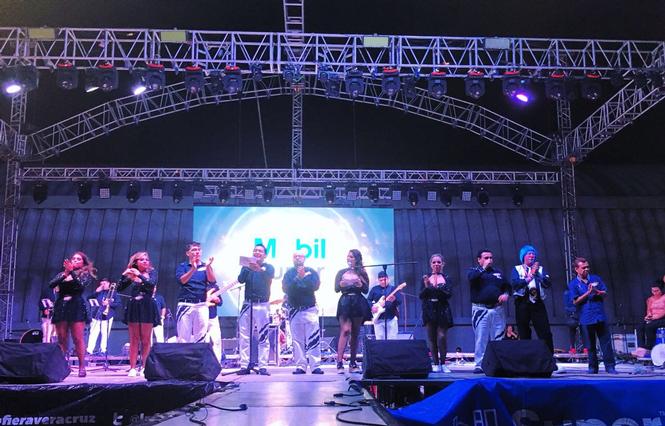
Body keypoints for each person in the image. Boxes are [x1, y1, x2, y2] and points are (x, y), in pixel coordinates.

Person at [49, 251, 96, 378]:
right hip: (62, 305)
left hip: (76, 306)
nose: (75, 260)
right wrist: (65, 274)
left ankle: (82, 367)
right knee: (62, 338)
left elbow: (81, 286)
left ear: (83, 263)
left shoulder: (85, 274)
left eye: (78, 259)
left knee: (77, 338)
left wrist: (72, 273)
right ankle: (63, 366)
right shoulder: (63, 274)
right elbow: (51, 284)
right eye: (73, 258)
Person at [568, 257, 618, 374]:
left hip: (599, 315)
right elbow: (575, 301)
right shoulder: (573, 284)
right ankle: (593, 367)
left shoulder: (596, 279)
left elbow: (605, 293)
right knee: (590, 345)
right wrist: (588, 293)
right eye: (583, 267)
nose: (586, 269)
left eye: (587, 267)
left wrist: (597, 291)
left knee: (606, 343)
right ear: (576, 269)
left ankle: (610, 366)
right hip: (586, 317)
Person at [467, 249, 511, 374]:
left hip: (497, 309)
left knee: (498, 337)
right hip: (480, 309)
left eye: (491, 258)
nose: (489, 260)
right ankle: (479, 364)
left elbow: (507, 287)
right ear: (479, 260)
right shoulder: (474, 272)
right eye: (486, 258)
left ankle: (498, 363)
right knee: (481, 337)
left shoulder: (498, 273)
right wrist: (483, 269)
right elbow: (471, 278)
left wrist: (506, 294)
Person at [282, 250, 323, 375]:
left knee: (313, 338)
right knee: (297, 340)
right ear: (292, 258)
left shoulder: (311, 271)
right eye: (295, 256)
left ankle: (315, 365)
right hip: (295, 310)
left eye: (300, 256)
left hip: (310, 308)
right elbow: (286, 289)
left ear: (304, 258)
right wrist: (298, 278)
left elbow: (315, 286)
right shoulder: (289, 273)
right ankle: (301, 366)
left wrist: (303, 280)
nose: (298, 258)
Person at [118, 251, 159, 377]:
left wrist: (139, 275)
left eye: (146, 259)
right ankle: (132, 367)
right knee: (134, 339)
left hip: (147, 305)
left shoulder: (152, 273)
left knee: (146, 339)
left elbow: (151, 285)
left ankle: (145, 367)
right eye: (141, 259)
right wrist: (124, 276)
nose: (145, 261)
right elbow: (119, 288)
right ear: (136, 262)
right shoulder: (132, 273)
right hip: (134, 306)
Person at [237, 243, 274, 375]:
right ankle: (244, 365)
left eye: (260, 251)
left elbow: (269, 277)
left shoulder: (268, 267)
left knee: (263, 335)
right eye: (255, 250)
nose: (257, 253)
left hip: (262, 304)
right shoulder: (246, 267)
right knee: (244, 335)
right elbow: (240, 280)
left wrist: (258, 269)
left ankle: (262, 365)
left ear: (265, 255)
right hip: (248, 304)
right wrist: (247, 268)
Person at [510, 245, 554, 353]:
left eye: (533, 254)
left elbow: (548, 284)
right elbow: (515, 284)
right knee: (523, 331)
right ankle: (526, 356)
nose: (532, 255)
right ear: (523, 256)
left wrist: (537, 274)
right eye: (529, 253)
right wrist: (529, 278)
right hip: (522, 303)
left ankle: (548, 356)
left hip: (537, 303)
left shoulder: (541, 269)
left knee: (545, 331)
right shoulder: (517, 269)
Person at [334, 249, 371, 374]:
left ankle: (353, 363)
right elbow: (336, 288)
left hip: (358, 302)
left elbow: (366, 290)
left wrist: (360, 284)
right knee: (345, 330)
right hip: (345, 302)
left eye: (352, 257)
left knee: (355, 333)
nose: (349, 258)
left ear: (357, 259)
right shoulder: (341, 272)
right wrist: (342, 285)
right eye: (348, 256)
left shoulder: (362, 272)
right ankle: (339, 362)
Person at [176, 242, 216, 344]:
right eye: (194, 250)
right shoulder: (183, 266)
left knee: (201, 337)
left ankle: (199, 355)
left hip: (201, 305)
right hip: (185, 304)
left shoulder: (205, 266)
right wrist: (193, 269)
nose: (197, 252)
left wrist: (208, 267)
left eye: (199, 249)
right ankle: (183, 355)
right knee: (183, 337)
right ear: (187, 253)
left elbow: (212, 281)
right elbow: (182, 280)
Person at [420, 253, 453, 373]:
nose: (436, 264)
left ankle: (443, 363)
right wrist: (427, 286)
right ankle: (435, 363)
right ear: (430, 264)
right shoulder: (425, 278)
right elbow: (421, 295)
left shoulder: (447, 278)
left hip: (442, 309)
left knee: (441, 336)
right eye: (434, 262)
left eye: (439, 262)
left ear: (443, 264)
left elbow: (448, 294)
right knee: (432, 338)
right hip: (429, 309)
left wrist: (433, 287)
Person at [86, 278, 121, 355]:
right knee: (93, 332)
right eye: (101, 284)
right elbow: (88, 298)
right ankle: (89, 350)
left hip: (108, 315)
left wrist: (109, 303)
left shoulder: (114, 293)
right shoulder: (98, 292)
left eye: (104, 284)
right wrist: (96, 291)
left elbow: (118, 304)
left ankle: (103, 350)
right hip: (96, 314)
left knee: (105, 333)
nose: (103, 285)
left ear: (109, 283)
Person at [633, 281, 665, 357]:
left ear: (661, 289)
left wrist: (656, 317)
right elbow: (649, 311)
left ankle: (649, 347)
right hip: (653, 319)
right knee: (640, 326)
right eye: (653, 291)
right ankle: (641, 348)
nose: (654, 293)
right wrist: (648, 316)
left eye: (656, 291)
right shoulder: (650, 299)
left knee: (649, 326)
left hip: (662, 318)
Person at [369, 271, 402, 341]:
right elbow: (368, 300)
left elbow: (400, 301)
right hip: (378, 319)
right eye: (381, 280)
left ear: (388, 279)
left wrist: (395, 299)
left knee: (392, 340)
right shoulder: (374, 289)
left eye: (384, 280)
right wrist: (372, 307)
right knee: (379, 341)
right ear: (378, 280)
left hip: (391, 318)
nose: (383, 282)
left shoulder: (393, 289)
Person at [206, 283, 223, 364]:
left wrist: (217, 300)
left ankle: (217, 363)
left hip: (213, 316)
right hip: (200, 316)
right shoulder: (198, 285)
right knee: (201, 341)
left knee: (216, 340)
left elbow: (220, 303)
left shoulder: (214, 286)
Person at [563, 289, 580, 353]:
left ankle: (575, 348)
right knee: (573, 330)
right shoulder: (567, 293)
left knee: (576, 331)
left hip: (575, 314)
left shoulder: (567, 293)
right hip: (573, 315)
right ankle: (573, 348)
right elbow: (567, 306)